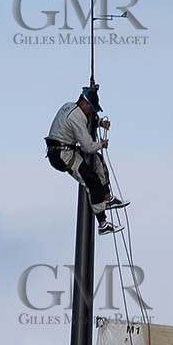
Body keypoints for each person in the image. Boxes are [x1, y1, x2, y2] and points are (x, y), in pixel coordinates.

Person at [45, 85, 129, 234]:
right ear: (85, 103)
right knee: (92, 180)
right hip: (61, 155)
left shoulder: (69, 106)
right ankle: (103, 224)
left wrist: (100, 123)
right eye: (90, 107)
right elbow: (88, 147)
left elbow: (83, 126)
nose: (90, 111)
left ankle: (107, 197)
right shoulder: (77, 117)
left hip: (65, 148)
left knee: (98, 161)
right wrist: (101, 144)